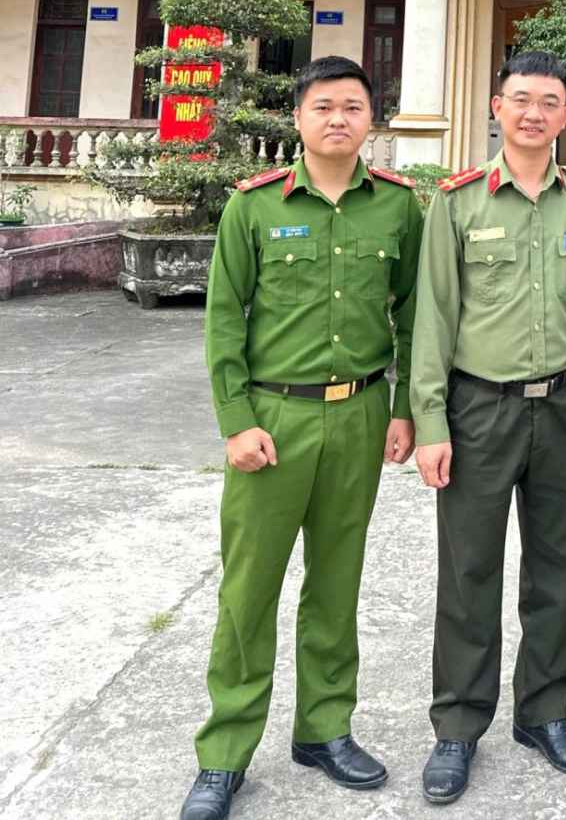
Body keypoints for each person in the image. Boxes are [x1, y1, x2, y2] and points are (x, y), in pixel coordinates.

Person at [179, 56, 423, 820]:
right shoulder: (251, 208)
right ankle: (224, 753)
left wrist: (405, 407)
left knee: (336, 581)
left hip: (360, 414)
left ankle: (323, 729)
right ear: (299, 119)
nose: (339, 119)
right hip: (273, 421)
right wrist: (236, 421)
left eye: (354, 107)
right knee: (249, 588)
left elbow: (416, 313)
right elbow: (224, 319)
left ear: (371, 122)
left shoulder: (397, 208)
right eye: (324, 106)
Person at [409, 49, 566, 806]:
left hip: (563, 406)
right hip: (477, 409)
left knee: (557, 568)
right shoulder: (458, 202)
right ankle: (459, 726)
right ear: (497, 108)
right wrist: (430, 420)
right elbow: (432, 320)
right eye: (520, 99)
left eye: (550, 101)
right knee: (469, 573)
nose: (534, 113)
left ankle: (544, 713)